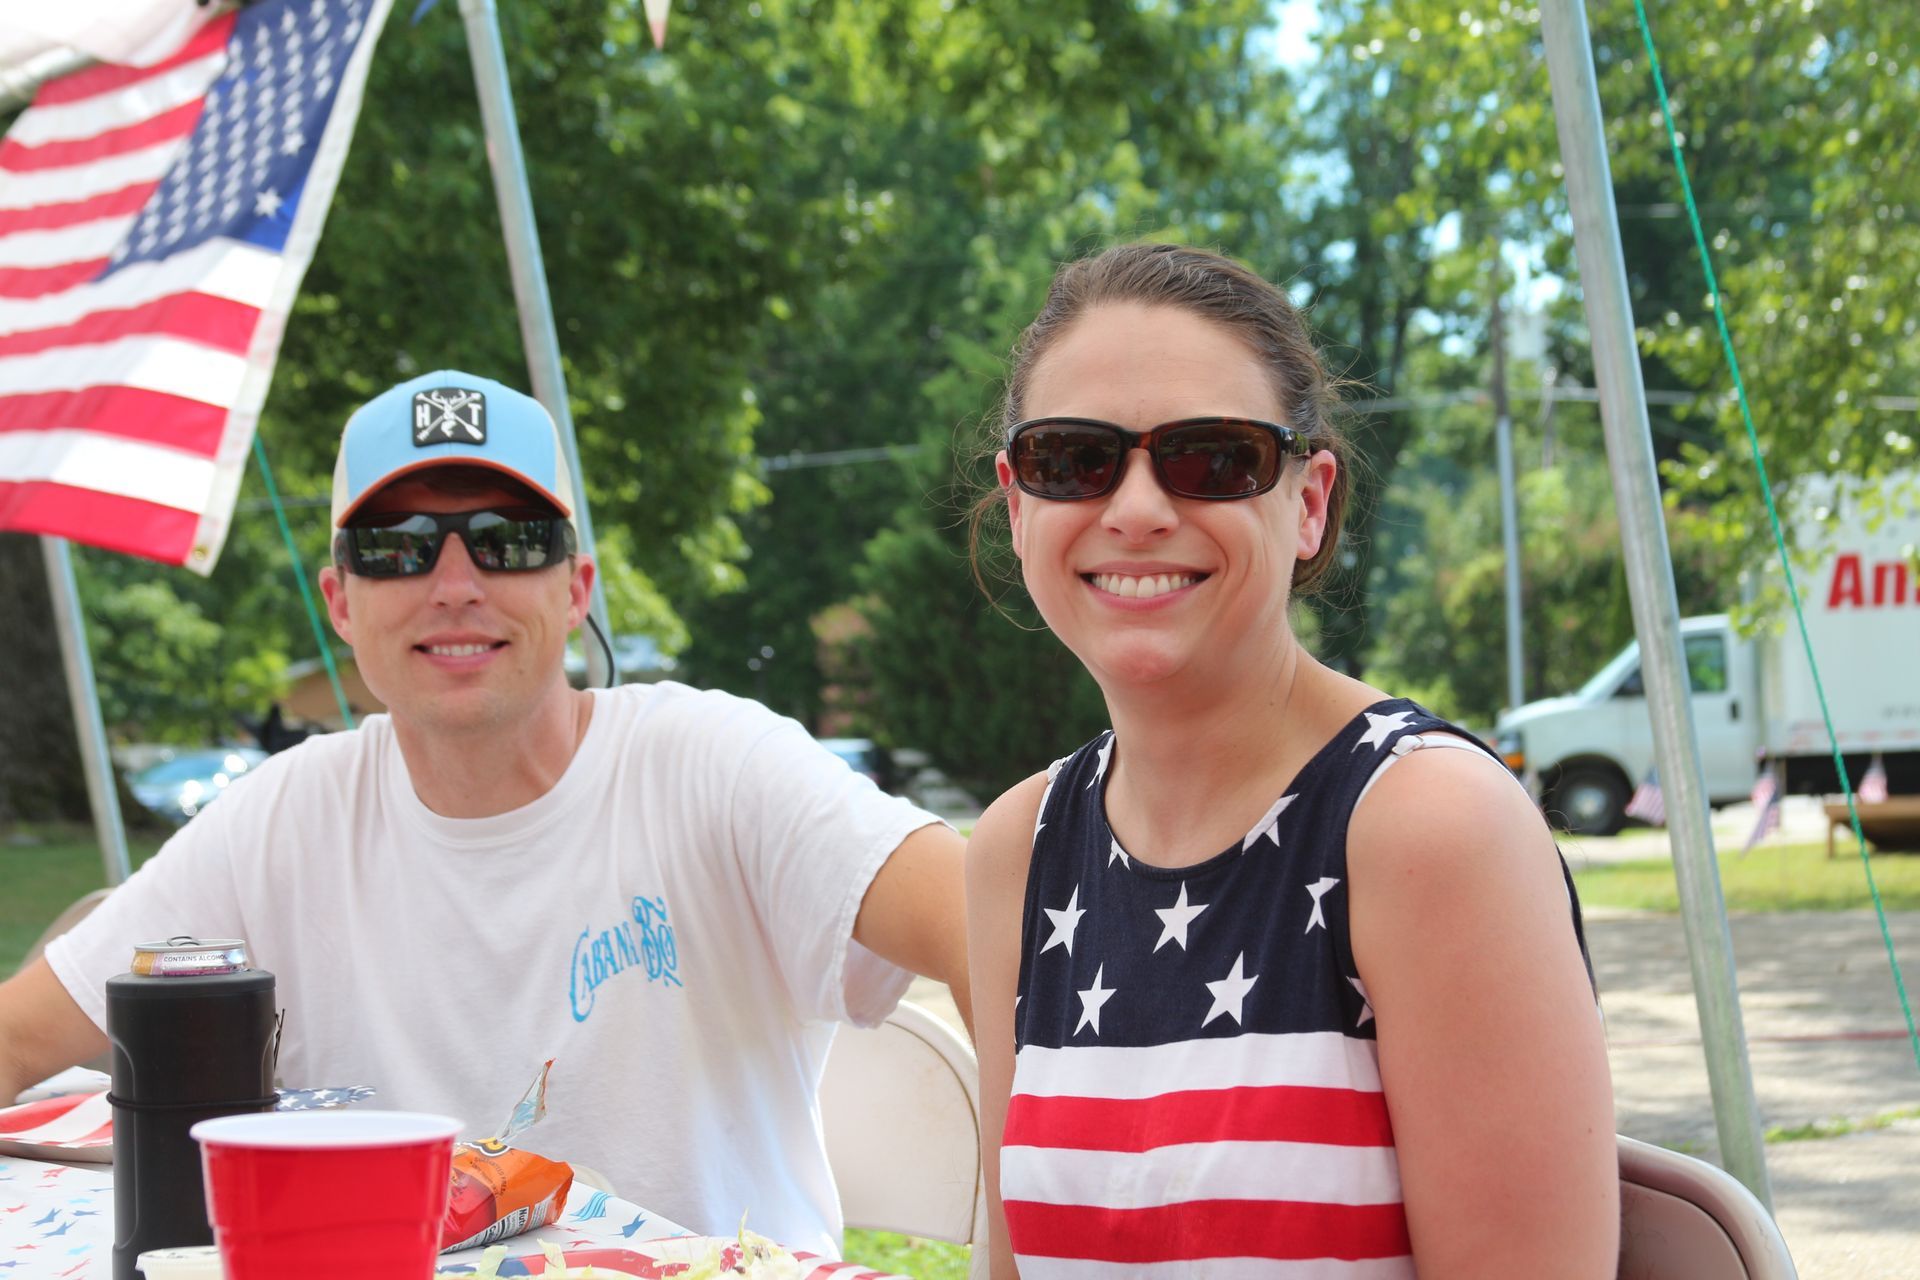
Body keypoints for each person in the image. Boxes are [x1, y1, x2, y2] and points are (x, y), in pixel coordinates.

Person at [0, 370, 970, 1255]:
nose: (455, 584)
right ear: (341, 600)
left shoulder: (713, 764)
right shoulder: (281, 820)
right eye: (398, 548)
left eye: (508, 539)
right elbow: (18, 1035)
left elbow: (988, 927)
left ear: (574, 584)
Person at [964, 245, 1616, 1278]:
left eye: (1213, 457)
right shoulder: (1018, 848)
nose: (1135, 507)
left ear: (1309, 502)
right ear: (1017, 503)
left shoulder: (1428, 827)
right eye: (1072, 458)